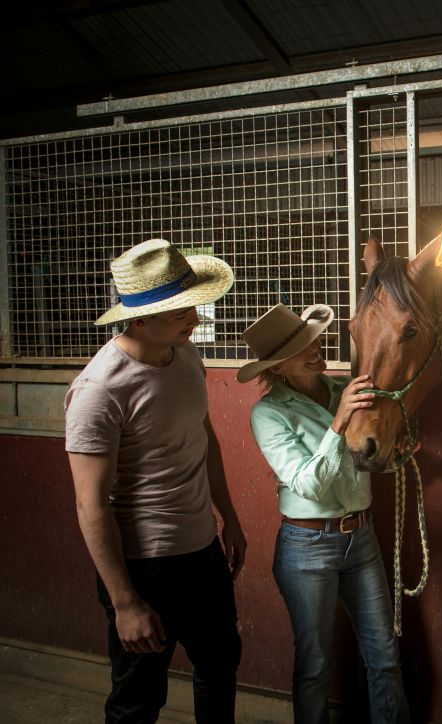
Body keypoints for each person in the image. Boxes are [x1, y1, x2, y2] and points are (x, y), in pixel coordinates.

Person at [65, 238, 246, 723]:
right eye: (180, 310)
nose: (195, 317)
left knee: (220, 666)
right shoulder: (99, 391)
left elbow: (202, 439)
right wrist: (125, 602)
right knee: (138, 700)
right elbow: (91, 506)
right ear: (139, 318)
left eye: (192, 304)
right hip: (144, 568)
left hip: (201, 551)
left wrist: (228, 516)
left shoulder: (185, 356)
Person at [237, 303, 410, 724]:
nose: (315, 349)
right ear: (278, 367)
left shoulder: (341, 389)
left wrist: (394, 455)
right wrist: (338, 424)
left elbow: (364, 461)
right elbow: (310, 486)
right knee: (314, 665)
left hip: (361, 538)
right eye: (301, 349)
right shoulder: (269, 414)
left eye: (313, 340)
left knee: (385, 655)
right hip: (307, 546)